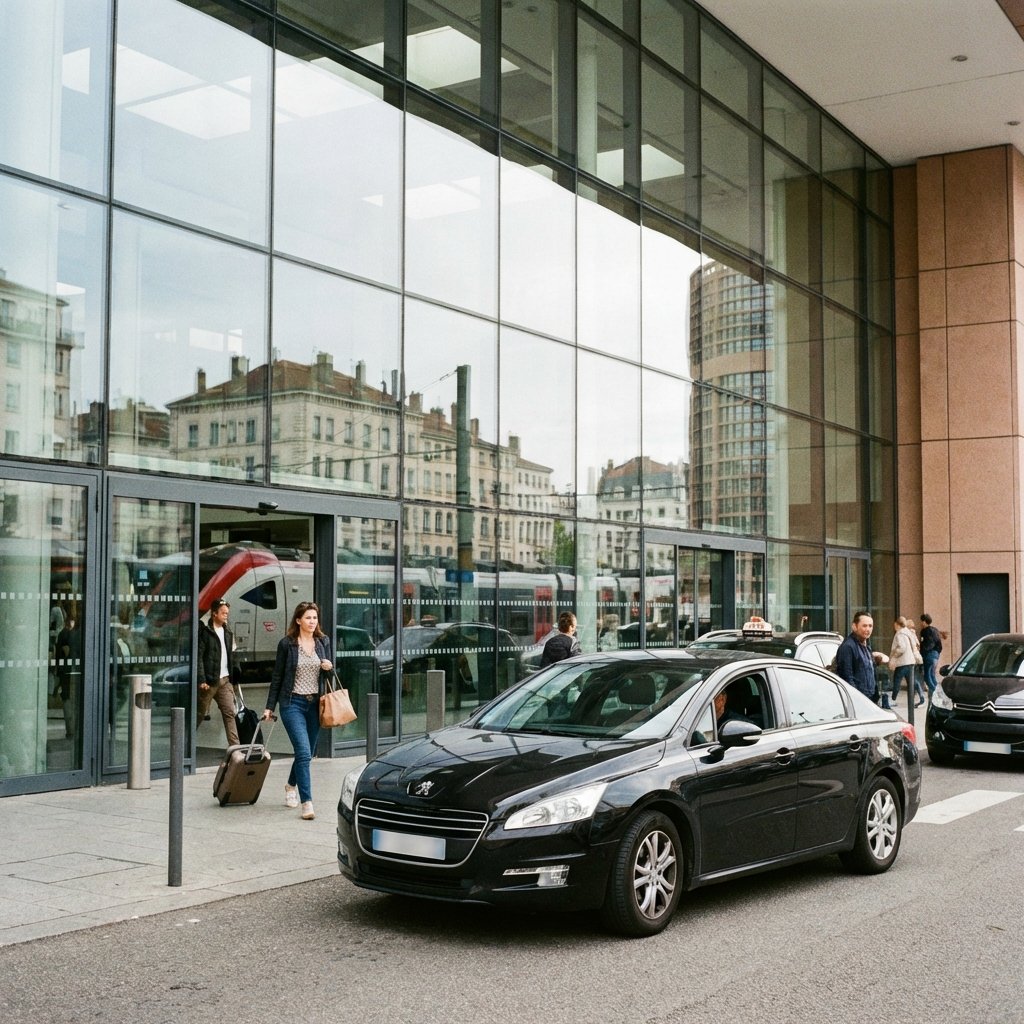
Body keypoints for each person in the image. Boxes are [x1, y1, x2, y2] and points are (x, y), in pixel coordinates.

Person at [262, 601, 334, 821]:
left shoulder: (323, 642)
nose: (312, 622)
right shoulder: (287, 644)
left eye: (315, 618)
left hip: (315, 705)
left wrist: (329, 668)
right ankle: (307, 802)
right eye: (308, 618)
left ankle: (290, 785)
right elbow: (277, 677)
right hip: (292, 703)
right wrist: (269, 707)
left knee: (306, 753)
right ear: (298, 620)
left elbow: (330, 676)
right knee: (303, 752)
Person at [196, 598, 239, 748]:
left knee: (230, 713)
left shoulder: (228, 632)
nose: (226, 615)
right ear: (214, 614)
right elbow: (199, 657)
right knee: (199, 715)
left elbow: (232, 655)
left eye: (227, 613)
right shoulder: (206, 632)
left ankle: (235, 748)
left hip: (224, 680)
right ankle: (184, 743)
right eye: (223, 613)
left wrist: (235, 677)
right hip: (209, 682)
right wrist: (202, 679)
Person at [835, 611, 884, 701]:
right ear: (854, 626)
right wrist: (858, 700)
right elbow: (847, 677)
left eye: (870, 626)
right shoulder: (848, 647)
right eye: (864, 626)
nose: (868, 629)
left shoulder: (866, 645)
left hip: (869, 700)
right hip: (858, 701)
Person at [888, 616, 925, 710]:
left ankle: (893, 699)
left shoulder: (899, 634)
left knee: (897, 680)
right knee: (913, 681)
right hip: (911, 661)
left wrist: (894, 656)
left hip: (902, 662)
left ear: (897, 624)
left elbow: (902, 648)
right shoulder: (909, 633)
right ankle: (922, 698)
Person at [919, 613, 943, 698]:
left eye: (922, 621)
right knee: (932, 675)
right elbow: (939, 645)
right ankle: (939, 692)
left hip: (928, 655)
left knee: (927, 677)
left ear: (924, 622)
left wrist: (922, 652)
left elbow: (927, 645)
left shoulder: (925, 632)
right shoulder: (935, 630)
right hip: (935, 655)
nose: (921, 623)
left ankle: (935, 693)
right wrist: (937, 653)